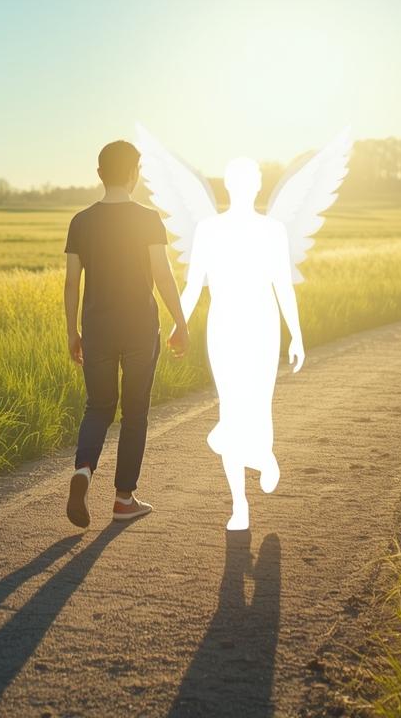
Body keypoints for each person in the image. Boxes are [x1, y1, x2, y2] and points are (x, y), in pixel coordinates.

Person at [63, 139, 189, 528]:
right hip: (139, 328)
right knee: (135, 413)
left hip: (97, 329)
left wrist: (72, 331)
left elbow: (71, 283)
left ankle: (83, 470)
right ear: (135, 175)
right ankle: (123, 499)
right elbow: (163, 275)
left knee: (99, 406)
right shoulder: (148, 219)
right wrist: (180, 323)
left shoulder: (81, 221)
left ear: (100, 174)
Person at [179, 157, 305, 531]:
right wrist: (178, 324)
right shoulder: (208, 229)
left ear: (253, 187)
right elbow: (192, 285)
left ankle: (264, 455)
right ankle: (239, 505)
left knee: (258, 404)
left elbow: (283, 284)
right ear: (235, 187)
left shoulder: (272, 230)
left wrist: (296, 332)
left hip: (263, 326)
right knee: (231, 410)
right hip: (224, 327)